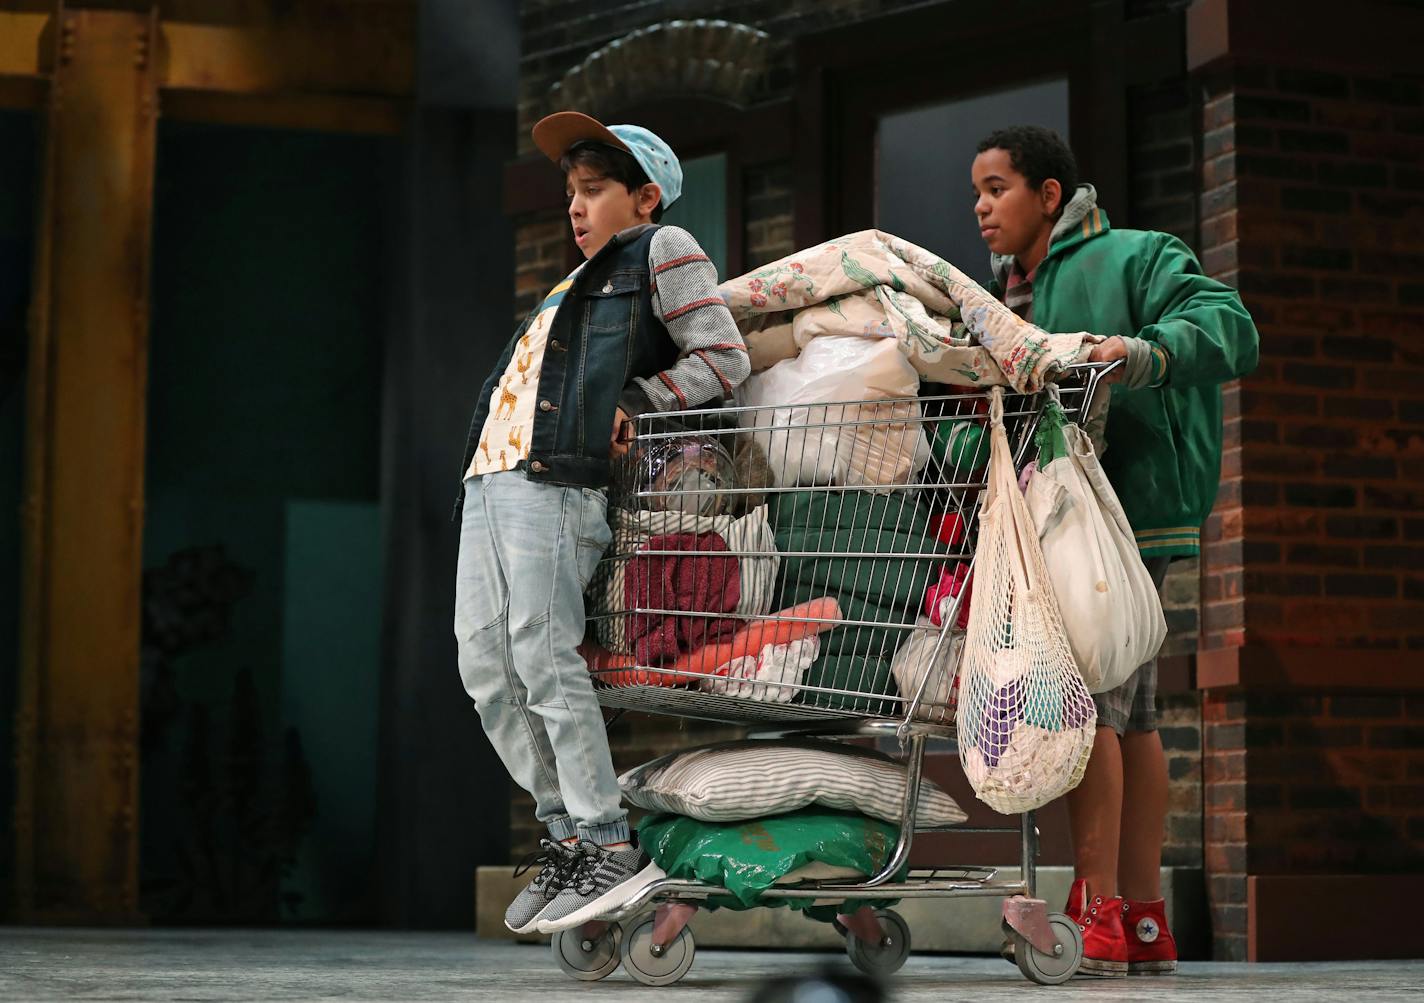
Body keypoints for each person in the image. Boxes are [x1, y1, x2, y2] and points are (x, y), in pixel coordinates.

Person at [453, 111, 750, 936]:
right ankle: (567, 835)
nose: (575, 207)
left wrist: (638, 401)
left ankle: (606, 838)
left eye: (594, 191)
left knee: (542, 655)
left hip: (556, 478)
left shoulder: (663, 248)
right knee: (487, 665)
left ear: (645, 197)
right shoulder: (568, 285)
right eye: (569, 193)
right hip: (490, 478)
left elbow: (725, 356)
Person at [971, 125, 1258, 976]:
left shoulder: (1136, 255)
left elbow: (1229, 326)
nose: (982, 208)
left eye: (997, 188)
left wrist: (1137, 353)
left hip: (1128, 509)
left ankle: (1097, 903)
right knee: (1132, 709)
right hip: (1051, 517)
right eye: (977, 195)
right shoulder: (1001, 299)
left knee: (1092, 694)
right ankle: (1139, 917)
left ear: (1049, 194)